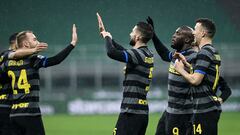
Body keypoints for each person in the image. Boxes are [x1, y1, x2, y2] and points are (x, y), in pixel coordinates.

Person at [2, 24, 78, 135]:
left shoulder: (7, 63)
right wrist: (72, 44)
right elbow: (55, 60)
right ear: (26, 44)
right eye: (34, 39)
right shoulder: (33, 59)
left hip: (14, 115)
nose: (37, 42)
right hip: (31, 114)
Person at [97, 13, 154, 135]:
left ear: (138, 36)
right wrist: (108, 36)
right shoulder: (147, 54)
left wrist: (107, 37)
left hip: (131, 112)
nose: (130, 33)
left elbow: (111, 53)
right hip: (140, 113)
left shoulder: (137, 54)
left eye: (132, 31)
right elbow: (123, 51)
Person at [146, 17, 196, 135]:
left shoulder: (193, 57)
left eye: (178, 33)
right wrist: (153, 35)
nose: (173, 35)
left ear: (187, 39)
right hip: (170, 110)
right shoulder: (177, 55)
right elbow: (164, 54)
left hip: (182, 114)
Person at [174, 18, 222, 135]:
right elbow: (205, 78)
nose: (193, 33)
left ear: (203, 33)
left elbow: (196, 80)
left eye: (195, 29)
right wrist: (188, 66)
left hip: (205, 108)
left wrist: (180, 69)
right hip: (208, 107)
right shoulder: (212, 51)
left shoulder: (204, 52)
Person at [0, 33, 47, 135]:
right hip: (7, 106)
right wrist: (34, 50)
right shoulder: (7, 56)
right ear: (15, 43)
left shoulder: (5, 58)